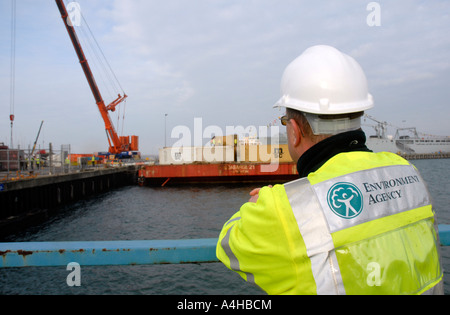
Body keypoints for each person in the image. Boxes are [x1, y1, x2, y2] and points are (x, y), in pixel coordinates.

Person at [216, 45, 443, 295]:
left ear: (294, 130)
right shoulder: (408, 173)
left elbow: (228, 245)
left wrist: (259, 203)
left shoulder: (284, 208)